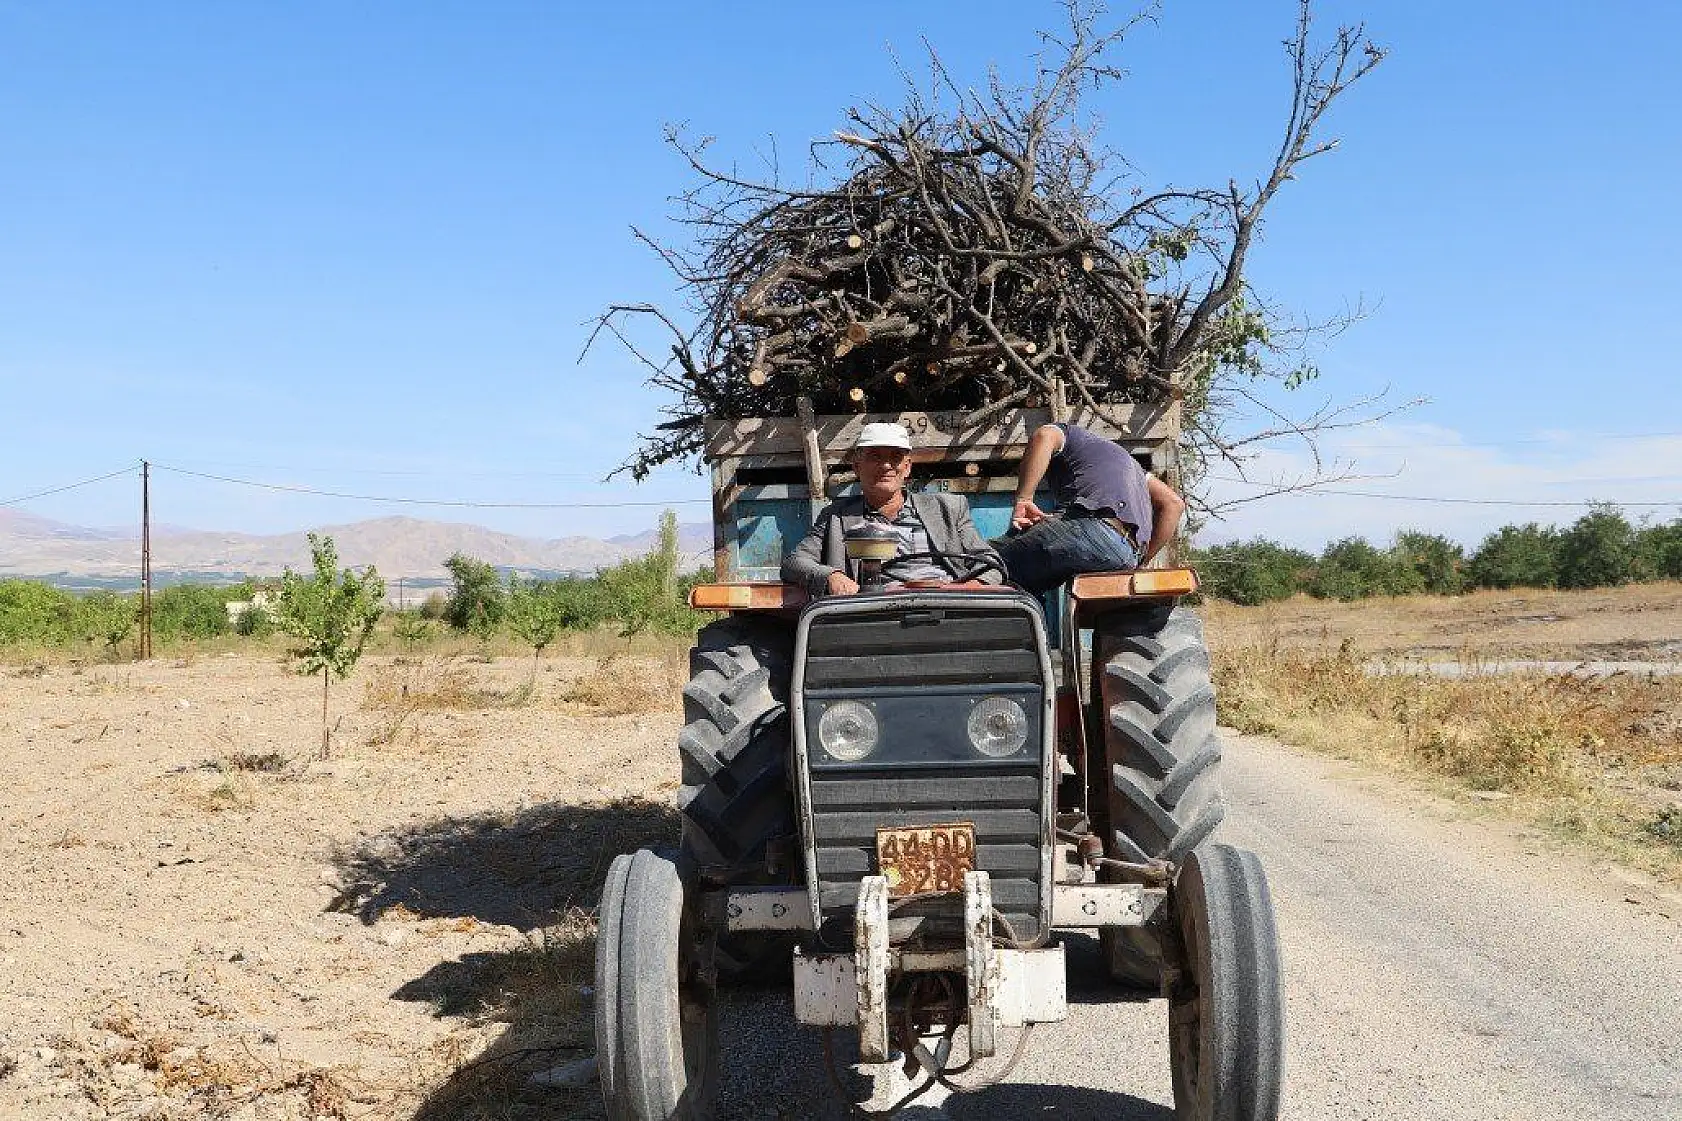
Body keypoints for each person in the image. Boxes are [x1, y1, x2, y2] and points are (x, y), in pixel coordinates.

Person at [782, 422, 1005, 597]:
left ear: (907, 467)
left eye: (895, 457)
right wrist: (831, 575)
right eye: (875, 457)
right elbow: (794, 563)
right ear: (857, 467)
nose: (887, 466)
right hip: (875, 612)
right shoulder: (836, 516)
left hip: (946, 604)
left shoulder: (948, 508)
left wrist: (965, 590)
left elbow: (990, 563)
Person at [993, 422, 1186, 593]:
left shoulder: (1071, 436)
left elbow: (1044, 436)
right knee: (1029, 585)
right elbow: (1174, 504)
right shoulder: (1134, 470)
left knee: (985, 561)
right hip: (1126, 558)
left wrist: (1024, 498)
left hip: (1093, 528)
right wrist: (1143, 562)